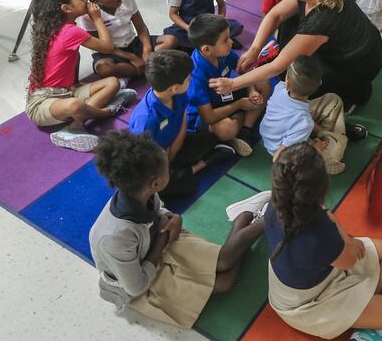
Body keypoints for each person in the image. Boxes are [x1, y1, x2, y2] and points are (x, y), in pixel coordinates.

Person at [263, 143, 382, 340]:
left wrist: (343, 238)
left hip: (304, 281)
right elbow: (349, 259)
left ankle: (368, 321)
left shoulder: (279, 199)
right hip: (303, 304)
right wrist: (348, 240)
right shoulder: (318, 234)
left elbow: (279, 157)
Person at [89, 131, 265, 328]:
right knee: (225, 282)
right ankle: (254, 219)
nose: (171, 170)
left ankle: (251, 217)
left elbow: (159, 210)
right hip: (140, 278)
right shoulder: (114, 238)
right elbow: (136, 286)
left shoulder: (141, 193)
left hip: (160, 242)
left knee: (225, 260)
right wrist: (161, 241)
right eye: (168, 169)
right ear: (156, 182)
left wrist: (174, 217)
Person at [209, 0, 382, 110]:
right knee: (287, 22)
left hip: (358, 65)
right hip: (352, 44)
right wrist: (254, 50)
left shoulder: (323, 19)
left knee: (298, 79)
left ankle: (349, 95)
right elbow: (275, 15)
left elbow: (278, 66)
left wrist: (233, 84)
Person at [25, 0, 136, 152]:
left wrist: (75, 84)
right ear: (66, 8)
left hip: (68, 90)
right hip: (42, 103)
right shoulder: (70, 31)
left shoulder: (56, 26)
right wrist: (97, 19)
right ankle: (78, 125)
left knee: (112, 82)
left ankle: (87, 112)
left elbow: (72, 60)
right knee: (75, 106)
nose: (85, 0)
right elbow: (107, 47)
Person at [128, 50, 236, 197]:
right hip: (154, 162)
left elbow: (183, 119)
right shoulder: (146, 119)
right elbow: (143, 161)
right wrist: (166, 162)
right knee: (165, 187)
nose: (191, 80)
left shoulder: (179, 93)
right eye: (188, 78)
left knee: (208, 139)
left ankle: (187, 168)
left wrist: (173, 151)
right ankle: (200, 165)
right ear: (174, 87)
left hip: (174, 146)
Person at [186, 14, 269, 157]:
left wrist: (252, 91)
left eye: (229, 37)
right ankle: (240, 121)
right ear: (206, 50)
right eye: (225, 40)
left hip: (226, 96)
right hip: (207, 113)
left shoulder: (224, 53)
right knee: (226, 129)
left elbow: (244, 71)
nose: (231, 42)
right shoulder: (196, 76)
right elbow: (209, 117)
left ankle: (245, 131)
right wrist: (239, 105)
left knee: (264, 83)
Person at [78, 0, 176, 85]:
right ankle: (149, 67)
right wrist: (131, 57)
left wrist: (147, 49)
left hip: (133, 42)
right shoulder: (89, 16)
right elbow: (101, 46)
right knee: (103, 68)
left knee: (170, 40)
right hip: (111, 52)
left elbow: (141, 28)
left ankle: (137, 69)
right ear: (94, 0)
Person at [260, 55, 348, 174]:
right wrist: (313, 149)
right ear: (319, 85)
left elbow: (299, 118)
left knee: (333, 100)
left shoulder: (279, 87)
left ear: (287, 81)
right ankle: (328, 162)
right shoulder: (304, 123)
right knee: (335, 149)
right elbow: (277, 158)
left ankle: (323, 134)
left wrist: (316, 129)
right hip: (281, 149)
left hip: (274, 133)